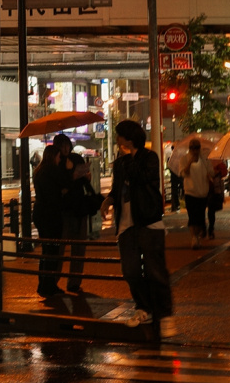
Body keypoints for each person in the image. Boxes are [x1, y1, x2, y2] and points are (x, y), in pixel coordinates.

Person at [108, 120, 173, 333]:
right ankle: (144, 308)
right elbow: (119, 188)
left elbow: (140, 177)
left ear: (129, 138)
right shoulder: (120, 163)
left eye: (119, 136)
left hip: (148, 221)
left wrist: (131, 154)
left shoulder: (149, 158)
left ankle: (164, 314)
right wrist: (107, 200)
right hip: (126, 226)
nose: (117, 140)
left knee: (156, 271)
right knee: (130, 271)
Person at [32, 134, 72, 301]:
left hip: (40, 213)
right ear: (53, 156)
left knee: (46, 251)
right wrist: (69, 169)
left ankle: (44, 285)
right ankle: (48, 286)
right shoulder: (52, 171)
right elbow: (65, 185)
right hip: (51, 215)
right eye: (58, 156)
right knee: (52, 251)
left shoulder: (39, 171)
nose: (59, 159)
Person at [61, 151, 104, 294]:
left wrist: (85, 178)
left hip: (76, 211)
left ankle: (73, 282)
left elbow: (87, 189)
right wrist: (70, 176)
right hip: (69, 212)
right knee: (68, 248)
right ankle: (69, 282)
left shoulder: (76, 173)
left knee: (77, 249)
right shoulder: (62, 170)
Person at [182, 138, 213, 247]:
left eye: (197, 147)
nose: (194, 150)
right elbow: (183, 173)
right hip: (190, 192)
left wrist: (210, 176)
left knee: (200, 217)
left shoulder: (205, 159)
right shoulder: (185, 159)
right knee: (192, 216)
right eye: (192, 148)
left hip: (203, 192)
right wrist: (190, 161)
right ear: (189, 149)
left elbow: (211, 172)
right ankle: (194, 238)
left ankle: (198, 235)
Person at [207, 157, 228, 238]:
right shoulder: (202, 162)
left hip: (213, 190)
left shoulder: (217, 161)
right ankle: (206, 228)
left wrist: (217, 172)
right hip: (203, 188)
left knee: (211, 211)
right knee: (207, 211)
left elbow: (224, 172)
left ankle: (210, 229)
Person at [166, 144, 185, 212]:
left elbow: (169, 166)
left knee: (175, 191)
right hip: (179, 176)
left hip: (175, 176)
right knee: (182, 189)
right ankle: (178, 204)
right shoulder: (180, 158)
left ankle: (176, 205)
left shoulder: (170, 158)